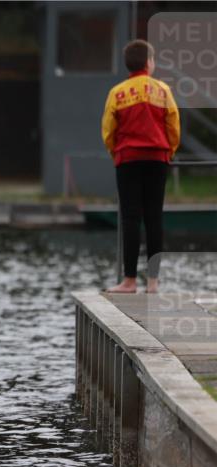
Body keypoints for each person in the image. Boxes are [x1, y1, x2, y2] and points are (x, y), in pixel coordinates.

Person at [102, 39, 180, 294]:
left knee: (131, 217)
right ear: (149, 63)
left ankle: (129, 281)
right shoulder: (163, 90)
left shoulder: (117, 93)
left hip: (128, 159)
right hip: (157, 158)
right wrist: (168, 150)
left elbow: (108, 130)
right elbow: (173, 126)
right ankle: (154, 283)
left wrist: (117, 152)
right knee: (154, 217)